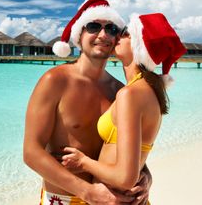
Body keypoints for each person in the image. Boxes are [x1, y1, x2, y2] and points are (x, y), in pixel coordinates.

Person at [23, 0, 151, 205]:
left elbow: (126, 149)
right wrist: (88, 193)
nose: (103, 35)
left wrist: (145, 175)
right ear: (79, 35)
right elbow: (31, 152)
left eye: (111, 29)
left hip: (116, 199)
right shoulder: (55, 80)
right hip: (65, 198)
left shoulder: (121, 91)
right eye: (93, 27)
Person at [61, 13, 186, 200]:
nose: (118, 36)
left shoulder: (131, 94)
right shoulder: (146, 90)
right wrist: (147, 176)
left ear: (140, 47)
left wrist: (83, 162)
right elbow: (134, 161)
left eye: (127, 33)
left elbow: (125, 178)